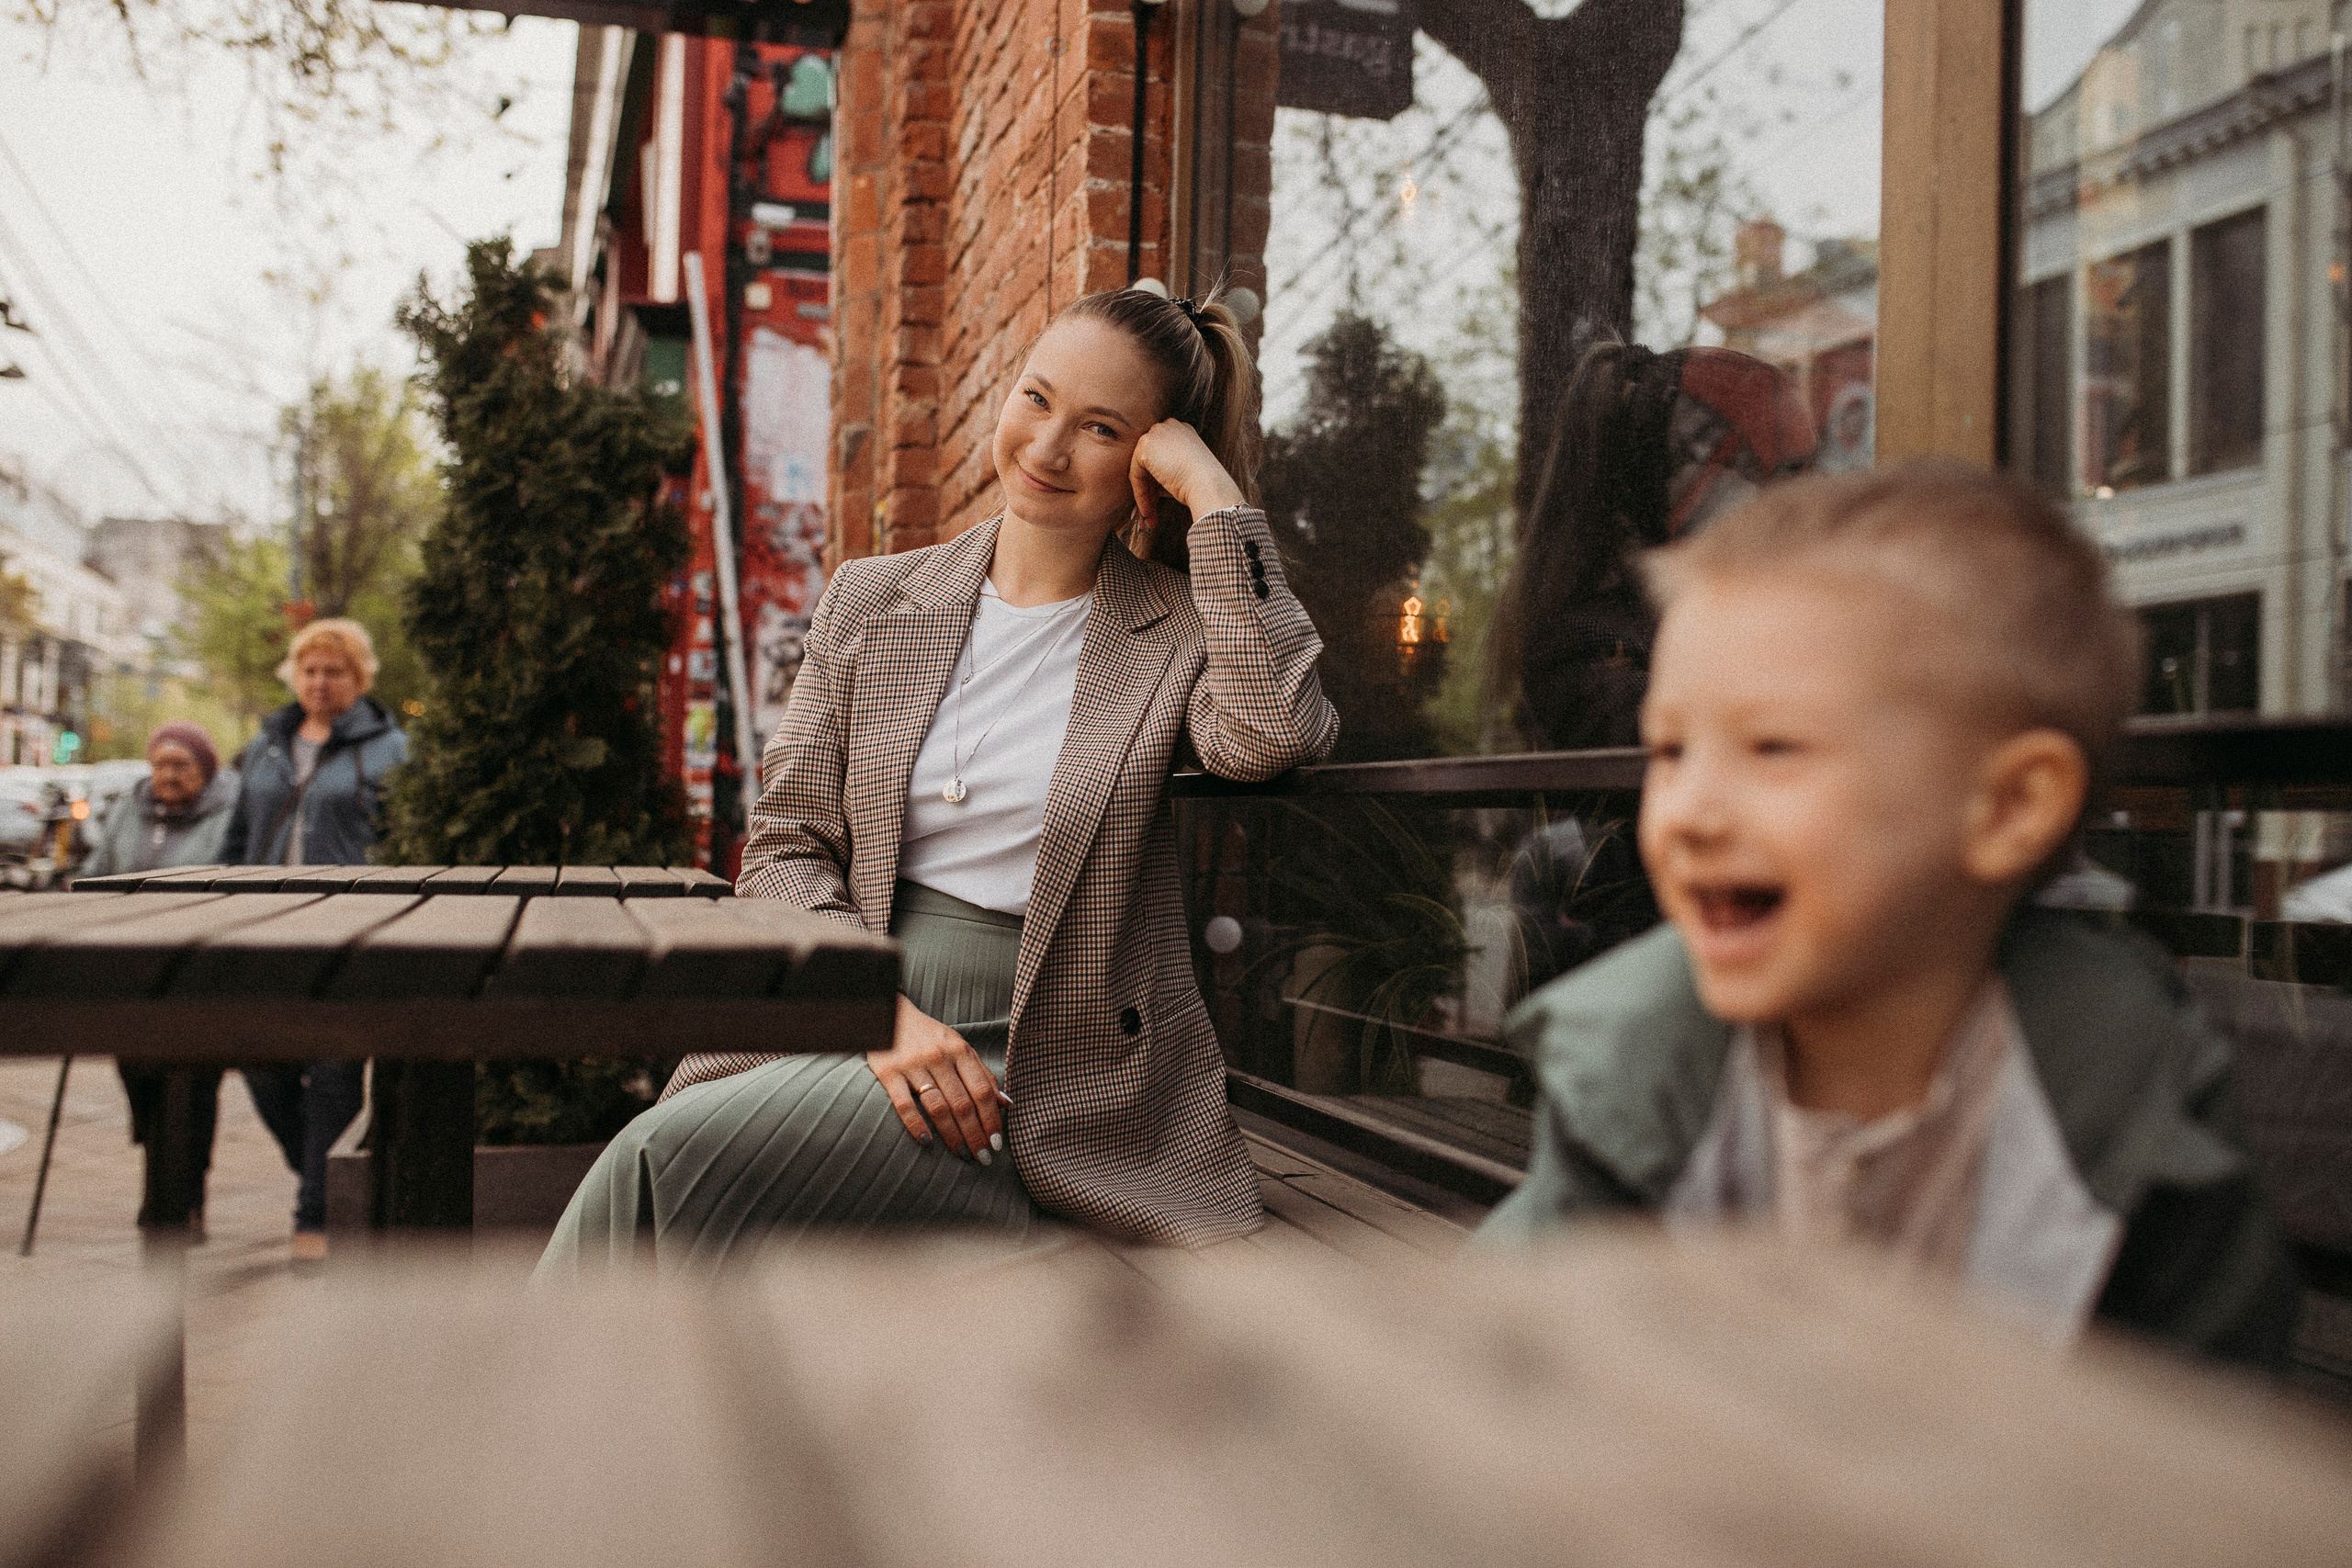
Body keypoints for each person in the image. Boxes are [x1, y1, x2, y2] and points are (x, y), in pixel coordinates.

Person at [537, 286, 1338, 1275]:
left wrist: (1217, 500)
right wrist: (869, 1013)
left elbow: (1272, 734)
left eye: (1099, 428)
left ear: (1146, 466)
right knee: (680, 1185)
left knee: (661, 1165)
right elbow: (785, 850)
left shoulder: (1175, 631)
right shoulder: (873, 599)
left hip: (1049, 1065)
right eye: (1036, 400)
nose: (1045, 450)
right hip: (856, 1008)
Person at [1476, 461, 2301, 1371]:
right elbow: (1511, 1367)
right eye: (1669, 751)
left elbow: (2207, 1439)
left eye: (1773, 746)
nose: (1687, 814)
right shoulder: (1635, 1062)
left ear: (2008, 811)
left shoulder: (2131, 1103)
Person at [221, 617, 409, 1260]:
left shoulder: (389, 750)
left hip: (346, 932)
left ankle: (316, 1216)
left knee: (333, 1074)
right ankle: (323, 1179)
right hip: (265, 932)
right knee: (260, 1061)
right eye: (309, 670)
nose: (320, 681)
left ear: (358, 679)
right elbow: (237, 837)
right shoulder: (265, 747)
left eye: (335, 670)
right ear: (293, 677)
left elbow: (404, 846)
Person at [75, 721, 240, 1233]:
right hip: (133, 969)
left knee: (194, 1084)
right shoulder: (131, 809)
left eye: (181, 765)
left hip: (200, 968)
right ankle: (163, 1174)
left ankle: (184, 1197)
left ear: (204, 770)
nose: (168, 775)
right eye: (161, 764)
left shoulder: (228, 815)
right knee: (139, 1076)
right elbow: (98, 870)